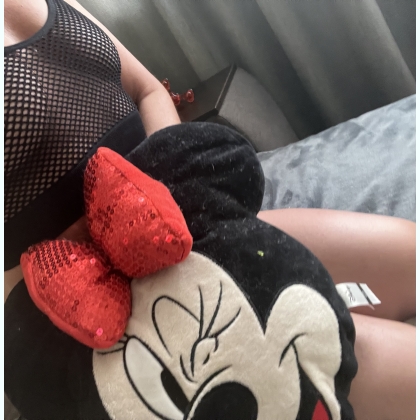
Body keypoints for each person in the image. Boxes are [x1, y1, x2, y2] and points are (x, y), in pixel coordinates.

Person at [4, 0, 415, 419]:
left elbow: (147, 91)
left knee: (409, 254)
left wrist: (177, 199)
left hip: (179, 221)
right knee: (376, 359)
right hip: (86, 302)